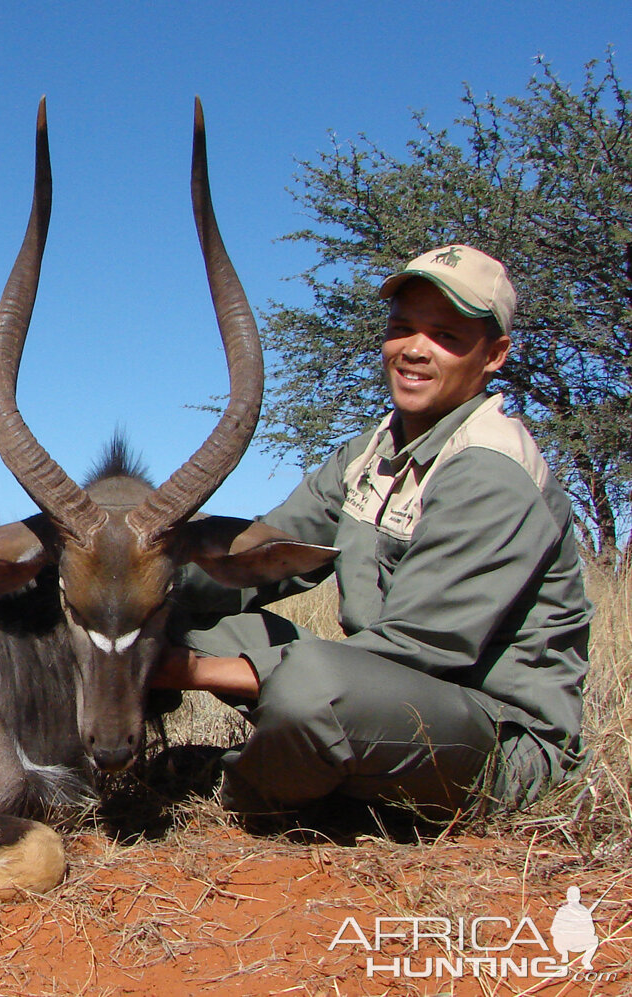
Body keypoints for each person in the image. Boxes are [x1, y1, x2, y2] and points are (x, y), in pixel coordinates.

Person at [155, 244, 592, 819]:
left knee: (311, 685)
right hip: (377, 694)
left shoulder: (490, 468)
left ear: (494, 355)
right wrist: (131, 568)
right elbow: (261, 557)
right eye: (402, 328)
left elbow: (417, 653)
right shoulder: (373, 450)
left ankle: (228, 791)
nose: (414, 350)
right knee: (201, 618)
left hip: (497, 742)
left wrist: (183, 671)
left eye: (447, 336)